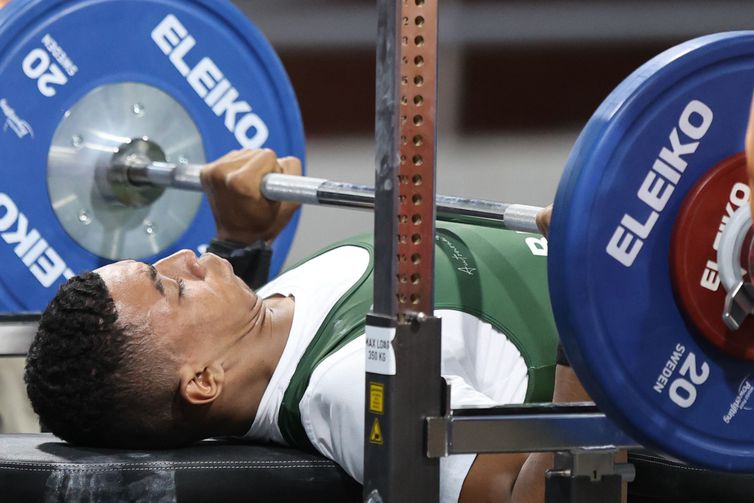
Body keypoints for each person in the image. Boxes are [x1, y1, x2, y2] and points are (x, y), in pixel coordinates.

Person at [24, 148, 594, 503]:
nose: (181, 258)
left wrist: (242, 239)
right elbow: (531, 499)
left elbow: (233, 339)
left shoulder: (260, 318)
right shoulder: (354, 388)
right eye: (170, 286)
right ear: (203, 381)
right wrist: (589, 305)